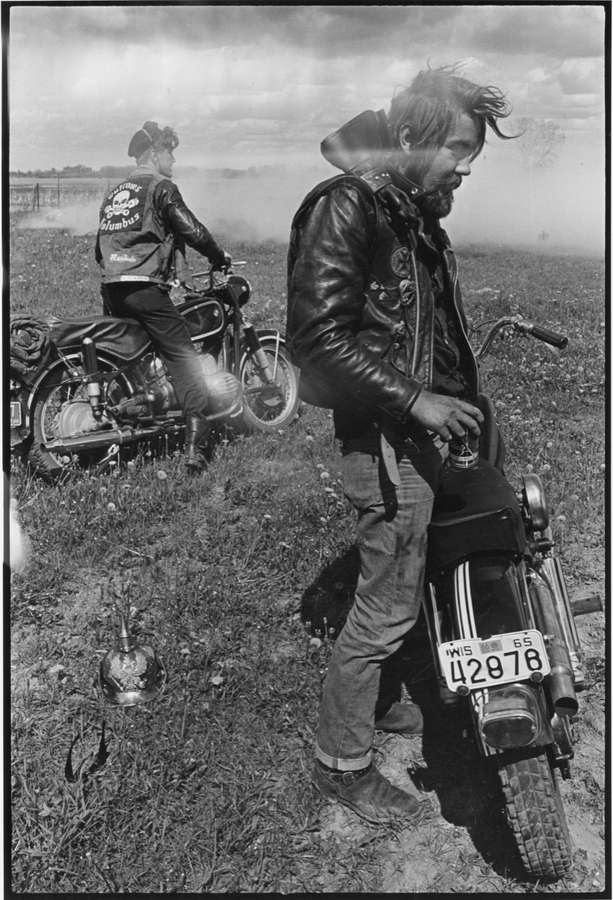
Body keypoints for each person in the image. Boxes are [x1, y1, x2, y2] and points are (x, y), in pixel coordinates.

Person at [286, 65, 514, 825]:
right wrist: (416, 398)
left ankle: (386, 702)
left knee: (416, 574)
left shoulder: (408, 209)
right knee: (383, 604)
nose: (467, 163)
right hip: (386, 438)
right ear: (413, 137)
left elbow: (423, 331)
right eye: (456, 146)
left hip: (427, 433)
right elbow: (314, 339)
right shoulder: (346, 206)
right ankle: (339, 762)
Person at [95, 120, 237, 472]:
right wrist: (219, 257)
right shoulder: (161, 187)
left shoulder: (116, 193)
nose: (174, 160)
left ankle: (135, 415)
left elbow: (99, 249)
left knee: (134, 357)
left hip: (112, 287)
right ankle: (196, 448)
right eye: (170, 152)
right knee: (184, 357)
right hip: (144, 288)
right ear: (155, 153)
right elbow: (191, 229)